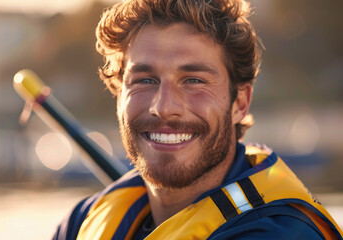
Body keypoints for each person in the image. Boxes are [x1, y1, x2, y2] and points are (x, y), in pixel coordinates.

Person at [53, 0, 343, 239]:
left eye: (193, 80)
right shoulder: (82, 222)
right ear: (118, 95)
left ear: (239, 103)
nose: (164, 107)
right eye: (145, 80)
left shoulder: (282, 234)